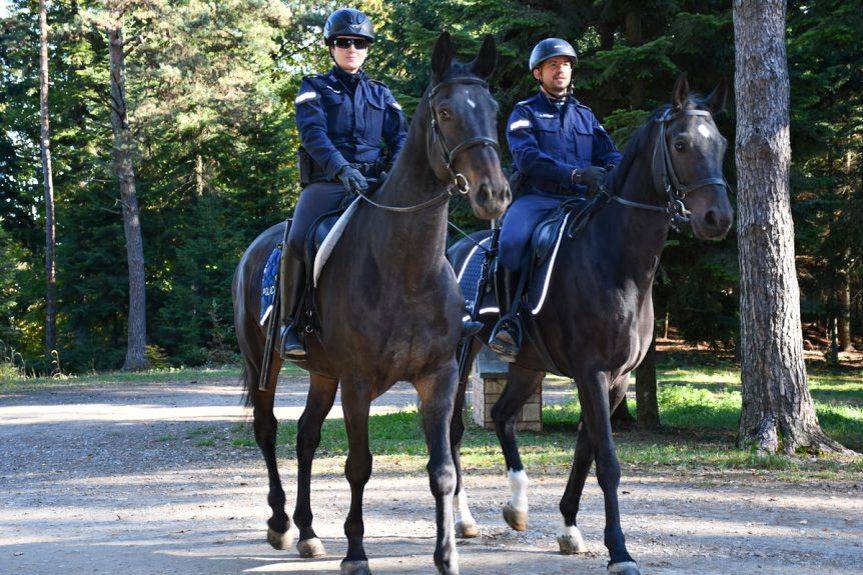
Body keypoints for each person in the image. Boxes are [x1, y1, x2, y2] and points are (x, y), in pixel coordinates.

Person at [282, 8, 408, 357]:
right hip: (328, 183)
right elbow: (313, 135)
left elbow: (401, 137)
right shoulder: (313, 87)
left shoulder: (382, 94)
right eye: (343, 42)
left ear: (367, 48)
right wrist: (341, 169)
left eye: (359, 42)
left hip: (376, 183)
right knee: (296, 240)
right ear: (331, 47)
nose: (351, 48)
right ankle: (290, 323)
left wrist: (392, 172)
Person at [489, 38, 623, 362]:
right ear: (538, 73)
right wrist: (575, 175)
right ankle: (509, 323)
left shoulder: (585, 116)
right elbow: (527, 158)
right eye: (552, 65)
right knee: (511, 242)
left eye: (565, 64)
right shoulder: (524, 112)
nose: (560, 69)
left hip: (581, 202)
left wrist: (621, 171)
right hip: (538, 199)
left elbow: (609, 154)